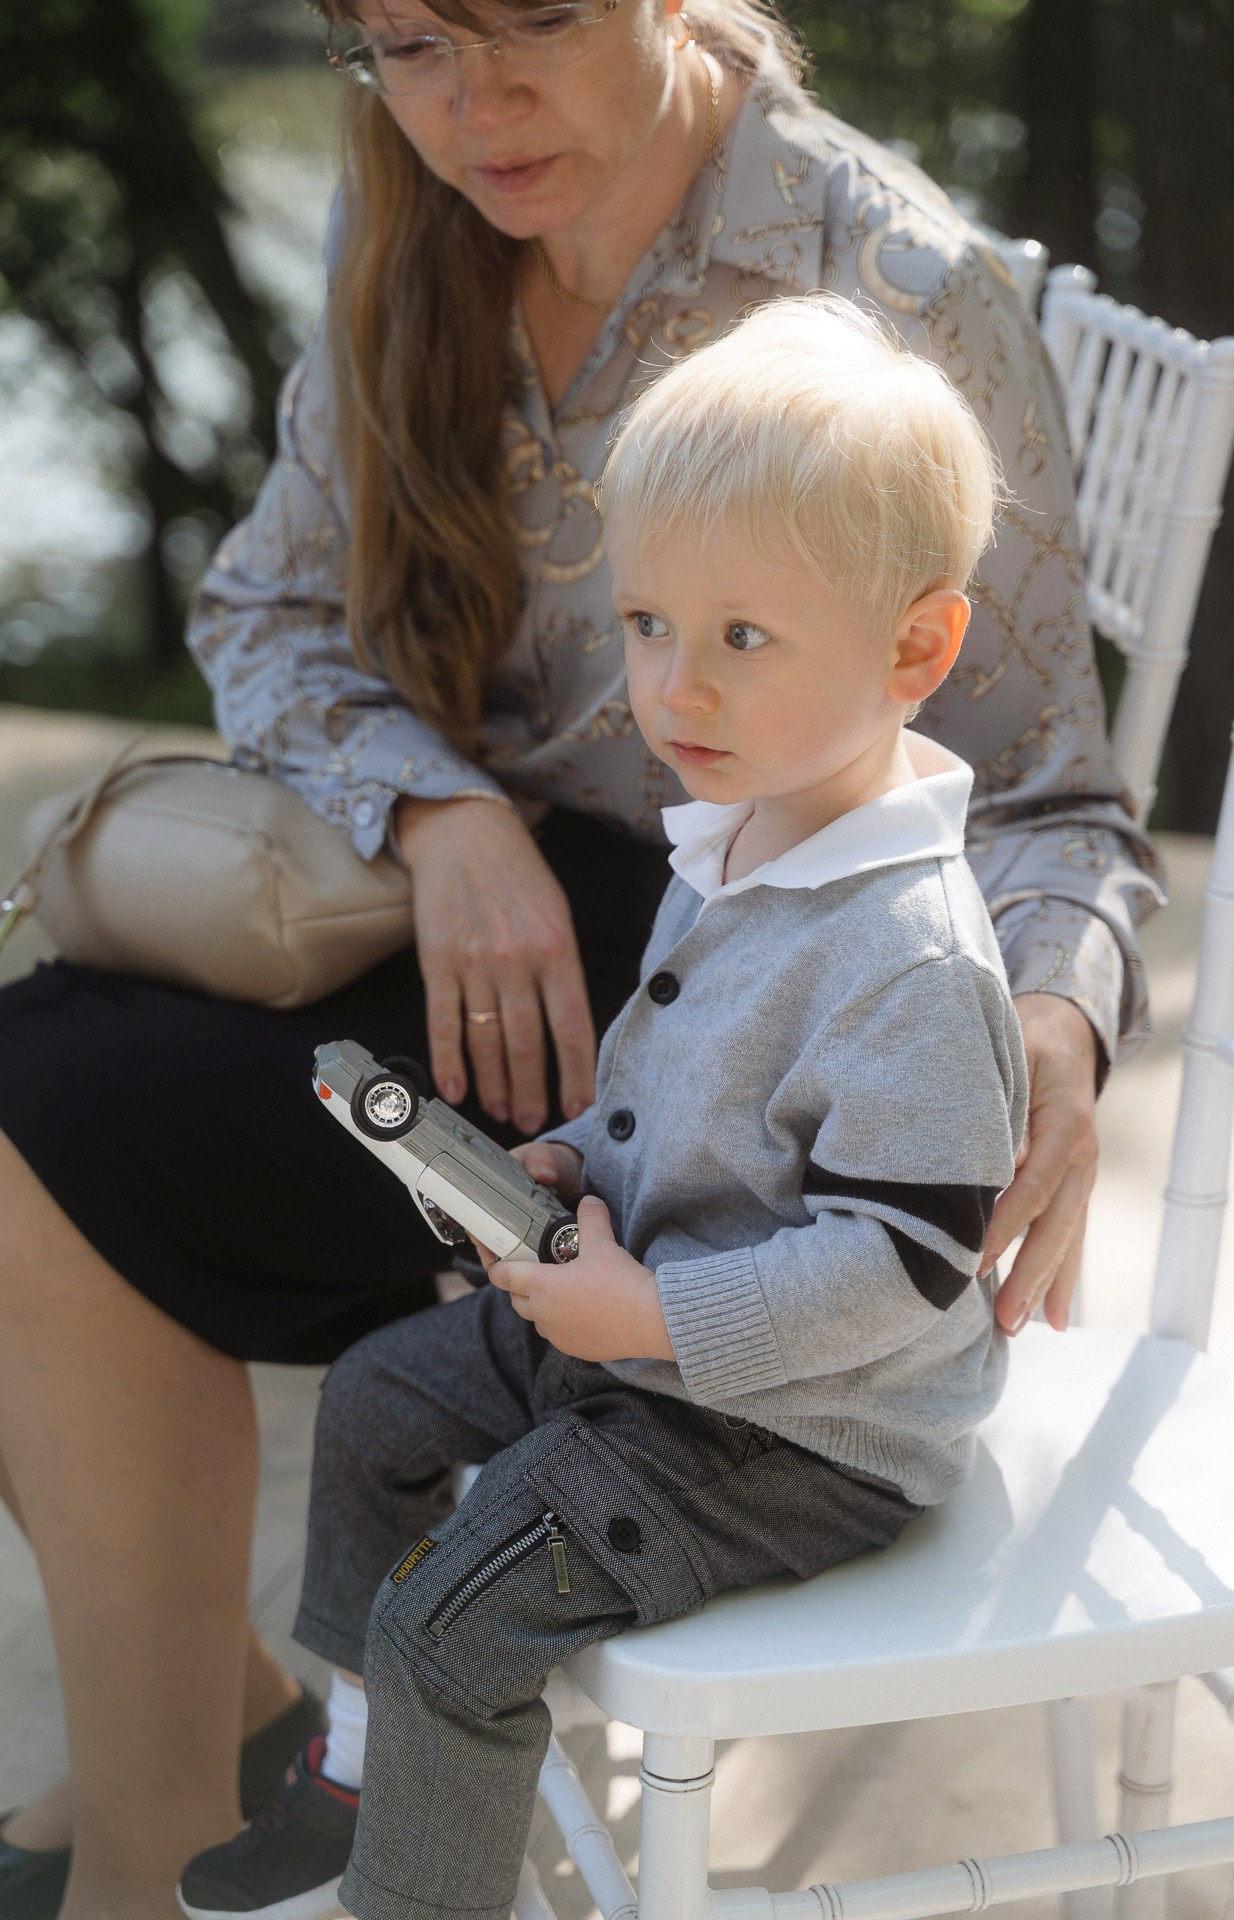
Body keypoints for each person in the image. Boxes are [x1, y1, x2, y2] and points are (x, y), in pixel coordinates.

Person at [0, 2, 1161, 1916]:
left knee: (54, 1126)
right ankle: (215, 1729)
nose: (476, 101)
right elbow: (268, 605)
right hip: (509, 930)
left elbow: (1044, 802)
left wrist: (1038, 1023)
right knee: (30, 1062)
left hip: (749, 1001)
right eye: (404, 43)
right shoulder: (409, 225)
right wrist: (435, 813)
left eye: (533, 16)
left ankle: (154, 1844)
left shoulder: (883, 278)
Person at [178, 292, 1029, 1920]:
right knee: (376, 1400)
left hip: (788, 1433)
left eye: (744, 638)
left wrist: (648, 1315)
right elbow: (673, 1073)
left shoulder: (912, 961)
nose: (677, 687)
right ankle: (358, 1765)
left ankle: (413, 1894)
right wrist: (573, 1155)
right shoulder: (744, 823)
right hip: (640, 1315)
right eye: (648, 624)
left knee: (459, 1622)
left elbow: (901, 1270)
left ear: (917, 648)